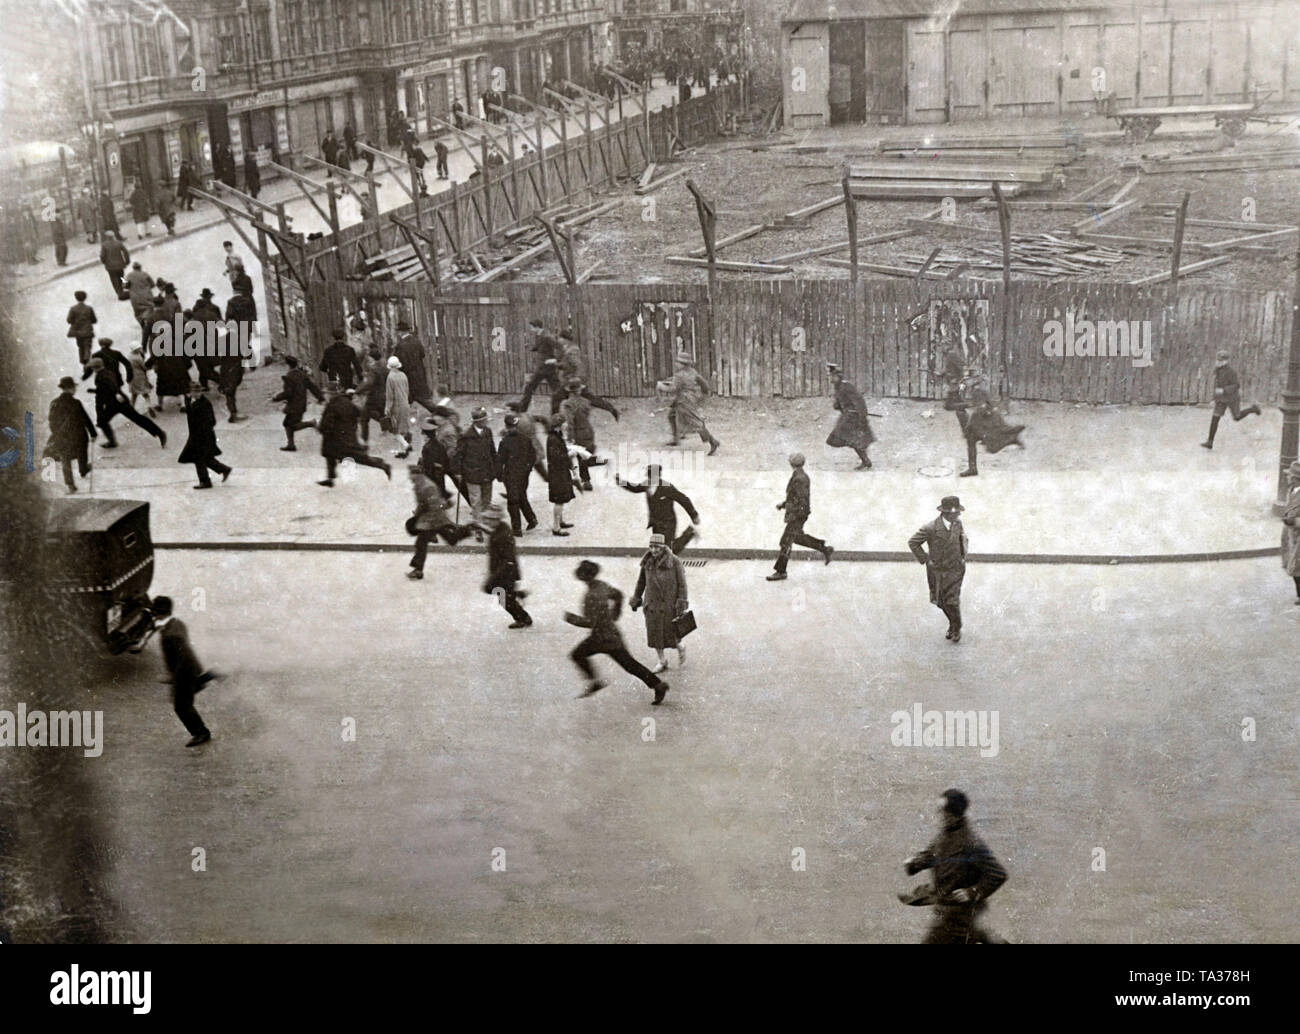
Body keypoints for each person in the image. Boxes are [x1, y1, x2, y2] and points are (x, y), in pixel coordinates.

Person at [901, 789, 1009, 944]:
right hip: (948, 912)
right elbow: (933, 854)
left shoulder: (970, 843)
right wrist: (914, 863)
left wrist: (972, 892)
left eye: (941, 811)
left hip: (959, 915)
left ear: (952, 815)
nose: (938, 814)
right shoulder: (947, 834)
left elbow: (998, 874)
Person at [567, 560, 669, 704]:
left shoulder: (591, 596)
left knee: (576, 654)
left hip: (600, 638)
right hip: (611, 634)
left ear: (584, 576)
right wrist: (615, 613)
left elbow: (589, 622)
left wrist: (570, 618)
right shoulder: (601, 585)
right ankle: (658, 685)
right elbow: (618, 595)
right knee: (629, 665)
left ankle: (595, 681)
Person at [152, 595, 215, 747]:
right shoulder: (176, 623)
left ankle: (200, 733)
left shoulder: (170, 634)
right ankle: (212, 674)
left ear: (158, 613)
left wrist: (174, 678)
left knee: (181, 706)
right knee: (190, 692)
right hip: (189, 668)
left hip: (183, 671)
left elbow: (183, 658)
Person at [908, 496, 968, 644]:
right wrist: (926, 560)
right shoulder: (930, 528)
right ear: (946, 513)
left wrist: (962, 556)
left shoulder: (957, 524)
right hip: (938, 571)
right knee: (941, 602)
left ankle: (957, 626)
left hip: (955, 569)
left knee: (952, 601)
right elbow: (913, 542)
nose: (958, 515)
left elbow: (962, 539)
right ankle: (952, 623)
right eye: (955, 513)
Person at [766, 452, 833, 581]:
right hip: (798, 513)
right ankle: (824, 548)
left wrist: (794, 513)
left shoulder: (799, 478)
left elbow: (801, 500)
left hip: (797, 515)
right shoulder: (800, 476)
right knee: (796, 538)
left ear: (791, 463)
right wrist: (784, 504)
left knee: (786, 542)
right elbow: (795, 497)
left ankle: (781, 571)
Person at [316, 380, 392, 487]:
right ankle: (330, 478)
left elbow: (326, 423)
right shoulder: (347, 402)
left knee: (358, 458)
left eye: (326, 393)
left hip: (339, 439)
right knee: (330, 453)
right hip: (345, 436)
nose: (325, 395)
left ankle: (383, 465)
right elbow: (357, 413)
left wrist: (320, 428)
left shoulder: (332, 405)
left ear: (331, 394)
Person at [630, 533, 689, 672]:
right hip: (651, 604)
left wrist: (681, 602)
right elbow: (641, 582)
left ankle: (680, 647)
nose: (653, 550)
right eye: (651, 547)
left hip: (669, 605)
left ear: (663, 547)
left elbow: (682, 584)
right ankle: (662, 661)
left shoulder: (674, 561)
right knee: (655, 634)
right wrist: (636, 598)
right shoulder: (647, 561)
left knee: (671, 634)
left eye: (656, 547)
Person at [86, 354, 166, 450]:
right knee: (137, 418)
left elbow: (110, 386)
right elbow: (107, 387)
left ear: (95, 368)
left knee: (103, 421)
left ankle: (112, 442)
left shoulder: (100, 376)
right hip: (119, 401)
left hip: (115, 403)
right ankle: (159, 433)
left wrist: (114, 394)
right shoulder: (108, 372)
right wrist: (95, 390)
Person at [405, 465, 472, 579]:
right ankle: (468, 530)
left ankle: (470, 529)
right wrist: (417, 515)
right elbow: (423, 504)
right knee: (447, 539)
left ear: (417, 474)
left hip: (434, 518)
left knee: (424, 543)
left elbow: (435, 506)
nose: (409, 477)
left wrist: (427, 523)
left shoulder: (427, 487)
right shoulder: (419, 484)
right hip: (429, 518)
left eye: (411, 474)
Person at [616, 463, 699, 554]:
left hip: (668, 523)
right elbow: (634, 488)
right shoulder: (646, 484)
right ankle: (660, 565)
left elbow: (683, 499)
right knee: (659, 549)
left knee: (670, 549)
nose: (650, 480)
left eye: (652, 477)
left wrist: (694, 515)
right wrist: (620, 482)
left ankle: (690, 533)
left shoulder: (667, 487)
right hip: (655, 523)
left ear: (658, 476)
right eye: (649, 477)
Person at [481, 504, 533, 628]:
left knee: (504, 601)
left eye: (488, 519)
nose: (486, 521)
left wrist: (494, 576)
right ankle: (517, 594)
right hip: (504, 572)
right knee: (502, 595)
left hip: (505, 573)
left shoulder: (502, 535)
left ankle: (524, 619)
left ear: (495, 520)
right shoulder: (501, 528)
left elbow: (507, 559)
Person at [960, 381, 1024, 478]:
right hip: (987, 417)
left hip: (985, 419)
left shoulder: (977, 392)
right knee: (973, 439)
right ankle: (972, 468)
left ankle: (1012, 438)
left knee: (990, 446)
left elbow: (980, 409)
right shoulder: (977, 390)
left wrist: (969, 427)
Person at [1201, 348, 1262, 450]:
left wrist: (1224, 390)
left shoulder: (1231, 372)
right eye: (1217, 360)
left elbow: (1236, 385)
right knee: (1215, 419)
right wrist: (1214, 399)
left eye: (1220, 361)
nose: (1217, 362)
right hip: (1221, 400)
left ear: (1226, 361)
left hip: (1232, 398)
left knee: (1237, 417)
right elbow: (1216, 386)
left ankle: (1253, 409)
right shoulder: (1217, 371)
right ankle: (1210, 442)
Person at [44, 376, 96, 493]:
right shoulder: (76, 403)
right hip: (79, 434)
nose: (75, 389)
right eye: (74, 387)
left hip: (63, 436)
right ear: (70, 388)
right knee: (82, 451)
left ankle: (70, 484)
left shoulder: (54, 403)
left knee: (65, 459)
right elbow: (85, 419)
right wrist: (93, 433)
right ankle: (83, 469)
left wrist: (57, 433)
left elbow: (51, 421)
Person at [663, 352, 720, 454]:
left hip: (684, 401)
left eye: (678, 362)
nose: (676, 364)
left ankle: (713, 442)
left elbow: (673, 389)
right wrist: (704, 393)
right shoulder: (692, 372)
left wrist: (661, 387)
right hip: (689, 399)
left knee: (696, 423)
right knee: (671, 415)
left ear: (683, 364)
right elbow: (704, 383)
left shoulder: (679, 375)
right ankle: (676, 439)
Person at [179, 381, 232, 490]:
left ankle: (205, 481)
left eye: (199, 392)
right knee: (205, 458)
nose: (198, 394)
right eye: (195, 392)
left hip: (203, 436)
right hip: (195, 435)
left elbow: (212, 421)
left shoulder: (205, 403)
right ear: (190, 392)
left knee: (199, 458)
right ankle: (224, 469)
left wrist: (202, 430)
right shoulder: (189, 400)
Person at [454, 406, 498, 533]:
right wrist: (457, 472)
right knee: (476, 502)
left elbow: (492, 451)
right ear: (477, 422)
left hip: (487, 472)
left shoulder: (488, 432)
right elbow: (458, 455)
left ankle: (485, 524)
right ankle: (479, 528)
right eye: (485, 420)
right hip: (472, 473)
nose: (487, 422)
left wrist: (496, 468)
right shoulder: (466, 435)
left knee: (486, 501)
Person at [825, 362, 875, 470]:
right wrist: (836, 404)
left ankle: (866, 461)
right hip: (847, 417)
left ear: (838, 376)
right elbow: (840, 404)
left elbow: (859, 401)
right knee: (848, 440)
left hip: (854, 418)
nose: (831, 379)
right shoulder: (838, 387)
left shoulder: (847, 386)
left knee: (852, 440)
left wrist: (862, 418)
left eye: (832, 376)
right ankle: (866, 461)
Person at [497, 412, 538, 536]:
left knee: (513, 500)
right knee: (521, 496)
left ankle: (517, 528)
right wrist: (528, 468)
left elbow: (500, 460)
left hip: (510, 475)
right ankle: (531, 519)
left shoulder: (505, 442)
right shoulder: (526, 439)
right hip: (524, 474)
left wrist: (499, 475)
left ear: (506, 426)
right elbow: (533, 456)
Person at [272, 354, 323, 451]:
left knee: (291, 424)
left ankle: (311, 423)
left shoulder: (289, 376)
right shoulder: (302, 375)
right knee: (287, 423)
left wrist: (276, 398)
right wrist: (320, 397)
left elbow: (288, 393)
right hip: (301, 404)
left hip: (294, 405)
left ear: (288, 365)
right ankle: (291, 445)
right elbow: (312, 387)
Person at [518, 317, 563, 412]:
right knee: (557, 390)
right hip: (544, 367)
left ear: (537, 327)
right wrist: (531, 347)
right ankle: (556, 412)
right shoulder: (539, 335)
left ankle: (522, 409)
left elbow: (560, 347)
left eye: (531, 327)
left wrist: (555, 360)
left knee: (530, 387)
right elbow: (540, 347)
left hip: (545, 368)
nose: (530, 329)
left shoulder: (547, 336)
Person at [560, 381, 596, 491]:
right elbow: (587, 415)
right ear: (579, 390)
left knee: (576, 455)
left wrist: (570, 436)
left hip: (577, 432)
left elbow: (570, 421)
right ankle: (586, 479)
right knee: (583, 455)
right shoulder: (586, 402)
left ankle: (583, 480)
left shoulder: (567, 404)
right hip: (588, 430)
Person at [393, 321, 435, 413]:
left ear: (400, 332)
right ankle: (435, 412)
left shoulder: (400, 346)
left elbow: (399, 363)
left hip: (408, 376)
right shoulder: (417, 341)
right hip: (419, 374)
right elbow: (422, 354)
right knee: (421, 398)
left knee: (407, 397)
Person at [545, 413, 575, 536]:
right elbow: (556, 457)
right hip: (557, 473)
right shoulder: (553, 439)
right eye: (564, 423)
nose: (566, 425)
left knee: (561, 499)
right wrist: (570, 454)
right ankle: (556, 527)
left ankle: (560, 521)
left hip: (560, 472)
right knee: (559, 500)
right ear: (559, 425)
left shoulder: (556, 436)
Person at [191, 288, 224, 389]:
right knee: (208, 363)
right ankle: (208, 382)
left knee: (203, 365)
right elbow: (222, 323)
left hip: (200, 343)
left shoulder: (194, 315)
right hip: (212, 340)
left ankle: (214, 381)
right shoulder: (214, 310)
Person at [384, 355, 413, 458]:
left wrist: (387, 408)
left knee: (394, 429)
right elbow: (407, 390)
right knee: (402, 428)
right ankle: (401, 451)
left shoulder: (390, 377)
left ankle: (405, 445)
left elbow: (390, 395)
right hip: (405, 403)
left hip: (396, 405)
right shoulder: (403, 375)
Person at [1281, 459, 1300, 604]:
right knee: (1292, 567)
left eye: (1289, 475)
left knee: (1296, 568)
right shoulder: (1291, 490)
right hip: (1291, 535)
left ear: (1295, 479)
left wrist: (1294, 521)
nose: (1287, 477)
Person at [65, 290, 97, 366]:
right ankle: (87, 360)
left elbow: (69, 320)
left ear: (76, 298)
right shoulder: (89, 308)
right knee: (87, 346)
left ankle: (83, 361)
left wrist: (75, 322)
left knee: (80, 346)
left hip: (78, 332)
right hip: (87, 330)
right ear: (85, 298)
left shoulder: (73, 309)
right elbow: (94, 320)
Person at [99, 230, 130, 299]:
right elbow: (126, 252)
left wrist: (104, 262)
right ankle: (122, 290)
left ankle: (119, 293)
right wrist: (127, 261)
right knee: (121, 277)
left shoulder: (104, 245)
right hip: (120, 264)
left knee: (114, 279)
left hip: (110, 266)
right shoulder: (118, 243)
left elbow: (102, 256)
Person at [127, 345, 155, 417]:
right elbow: (144, 367)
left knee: (134, 395)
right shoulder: (138, 357)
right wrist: (150, 368)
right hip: (140, 376)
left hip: (132, 377)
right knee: (145, 394)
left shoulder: (129, 356)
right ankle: (149, 406)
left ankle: (131, 410)